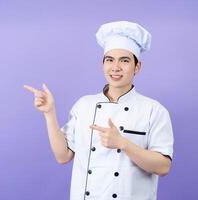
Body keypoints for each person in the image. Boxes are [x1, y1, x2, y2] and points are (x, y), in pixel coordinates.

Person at [24, 21, 174, 200]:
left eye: (124, 60)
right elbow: (63, 156)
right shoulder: (84, 105)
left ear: (137, 67)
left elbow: (163, 167)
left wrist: (122, 143)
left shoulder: (154, 110)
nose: (115, 67)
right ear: (102, 64)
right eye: (109, 60)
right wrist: (49, 113)